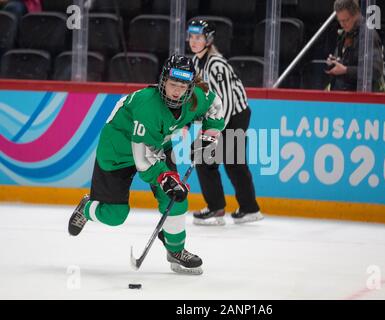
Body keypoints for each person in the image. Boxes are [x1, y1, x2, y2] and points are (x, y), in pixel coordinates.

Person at [67, 54, 224, 275]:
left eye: (182, 86)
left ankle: (176, 250)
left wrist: (209, 133)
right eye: (172, 84)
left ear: (190, 86)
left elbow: (215, 105)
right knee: (114, 216)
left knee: (176, 198)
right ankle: (87, 207)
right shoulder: (147, 106)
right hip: (118, 151)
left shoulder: (196, 97)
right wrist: (166, 178)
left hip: (158, 145)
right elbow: (143, 159)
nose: (177, 91)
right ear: (163, 82)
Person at [187, 18, 264, 226]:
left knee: (209, 157)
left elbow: (227, 102)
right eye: (191, 37)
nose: (193, 42)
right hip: (223, 116)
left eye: (198, 37)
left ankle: (222, 208)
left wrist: (213, 132)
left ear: (208, 40)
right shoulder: (195, 62)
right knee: (228, 162)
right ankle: (244, 208)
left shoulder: (217, 65)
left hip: (234, 116)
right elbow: (199, 97)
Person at [326, 0, 385, 92]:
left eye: (346, 20)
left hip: (360, 97)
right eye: (340, 21)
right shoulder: (346, 32)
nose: (342, 24)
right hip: (343, 93)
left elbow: (376, 71)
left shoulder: (368, 36)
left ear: (356, 15)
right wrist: (336, 61)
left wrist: (346, 70)